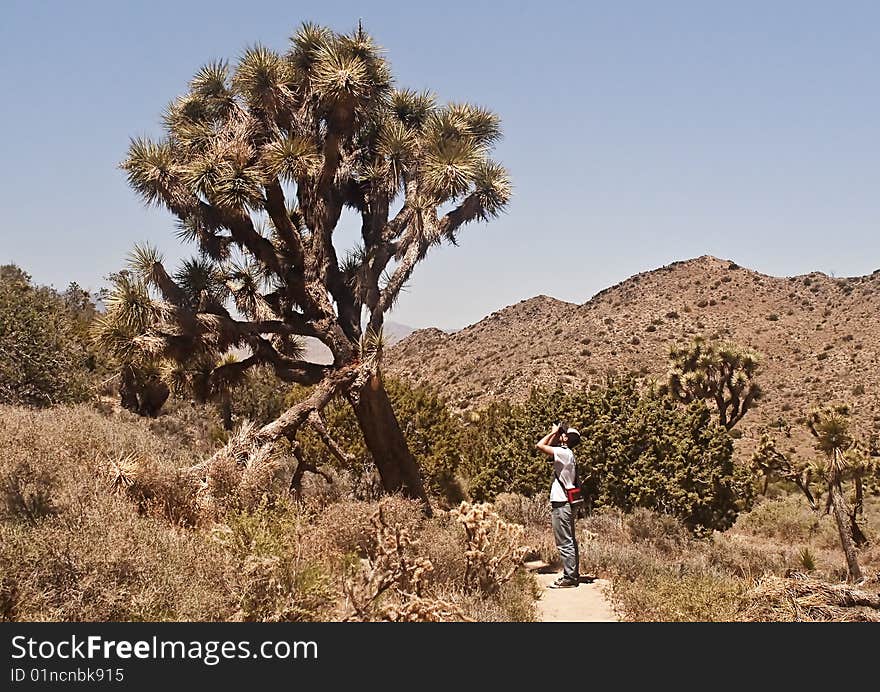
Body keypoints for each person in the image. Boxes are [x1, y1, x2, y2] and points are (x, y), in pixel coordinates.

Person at [536, 423, 582, 588]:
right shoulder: (568, 454)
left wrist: (552, 432)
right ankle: (573, 574)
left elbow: (540, 446)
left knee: (564, 541)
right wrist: (558, 434)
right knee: (570, 539)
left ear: (566, 439)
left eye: (564, 434)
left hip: (562, 503)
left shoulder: (563, 453)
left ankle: (569, 578)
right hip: (567, 502)